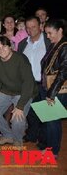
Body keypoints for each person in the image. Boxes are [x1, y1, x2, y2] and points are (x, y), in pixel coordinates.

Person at [0, 36, 38, 147]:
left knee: (17, 118)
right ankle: (8, 136)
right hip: (6, 90)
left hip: (23, 92)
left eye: (4, 46)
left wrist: (20, 106)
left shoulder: (20, 59)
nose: (1, 50)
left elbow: (28, 83)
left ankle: (18, 140)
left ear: (10, 46)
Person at [17, 16, 50, 144]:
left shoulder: (48, 41)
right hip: (27, 84)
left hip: (44, 84)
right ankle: (31, 135)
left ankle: (43, 140)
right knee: (30, 112)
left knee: (45, 114)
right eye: (28, 27)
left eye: (34, 27)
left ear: (40, 26)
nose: (31, 30)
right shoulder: (22, 44)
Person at [40, 19, 67, 158]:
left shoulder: (65, 46)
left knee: (52, 120)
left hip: (58, 90)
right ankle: (50, 147)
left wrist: (51, 93)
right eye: (46, 33)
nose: (48, 36)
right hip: (50, 87)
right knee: (50, 120)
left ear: (60, 30)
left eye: (50, 33)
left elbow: (63, 72)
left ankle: (53, 152)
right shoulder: (55, 44)